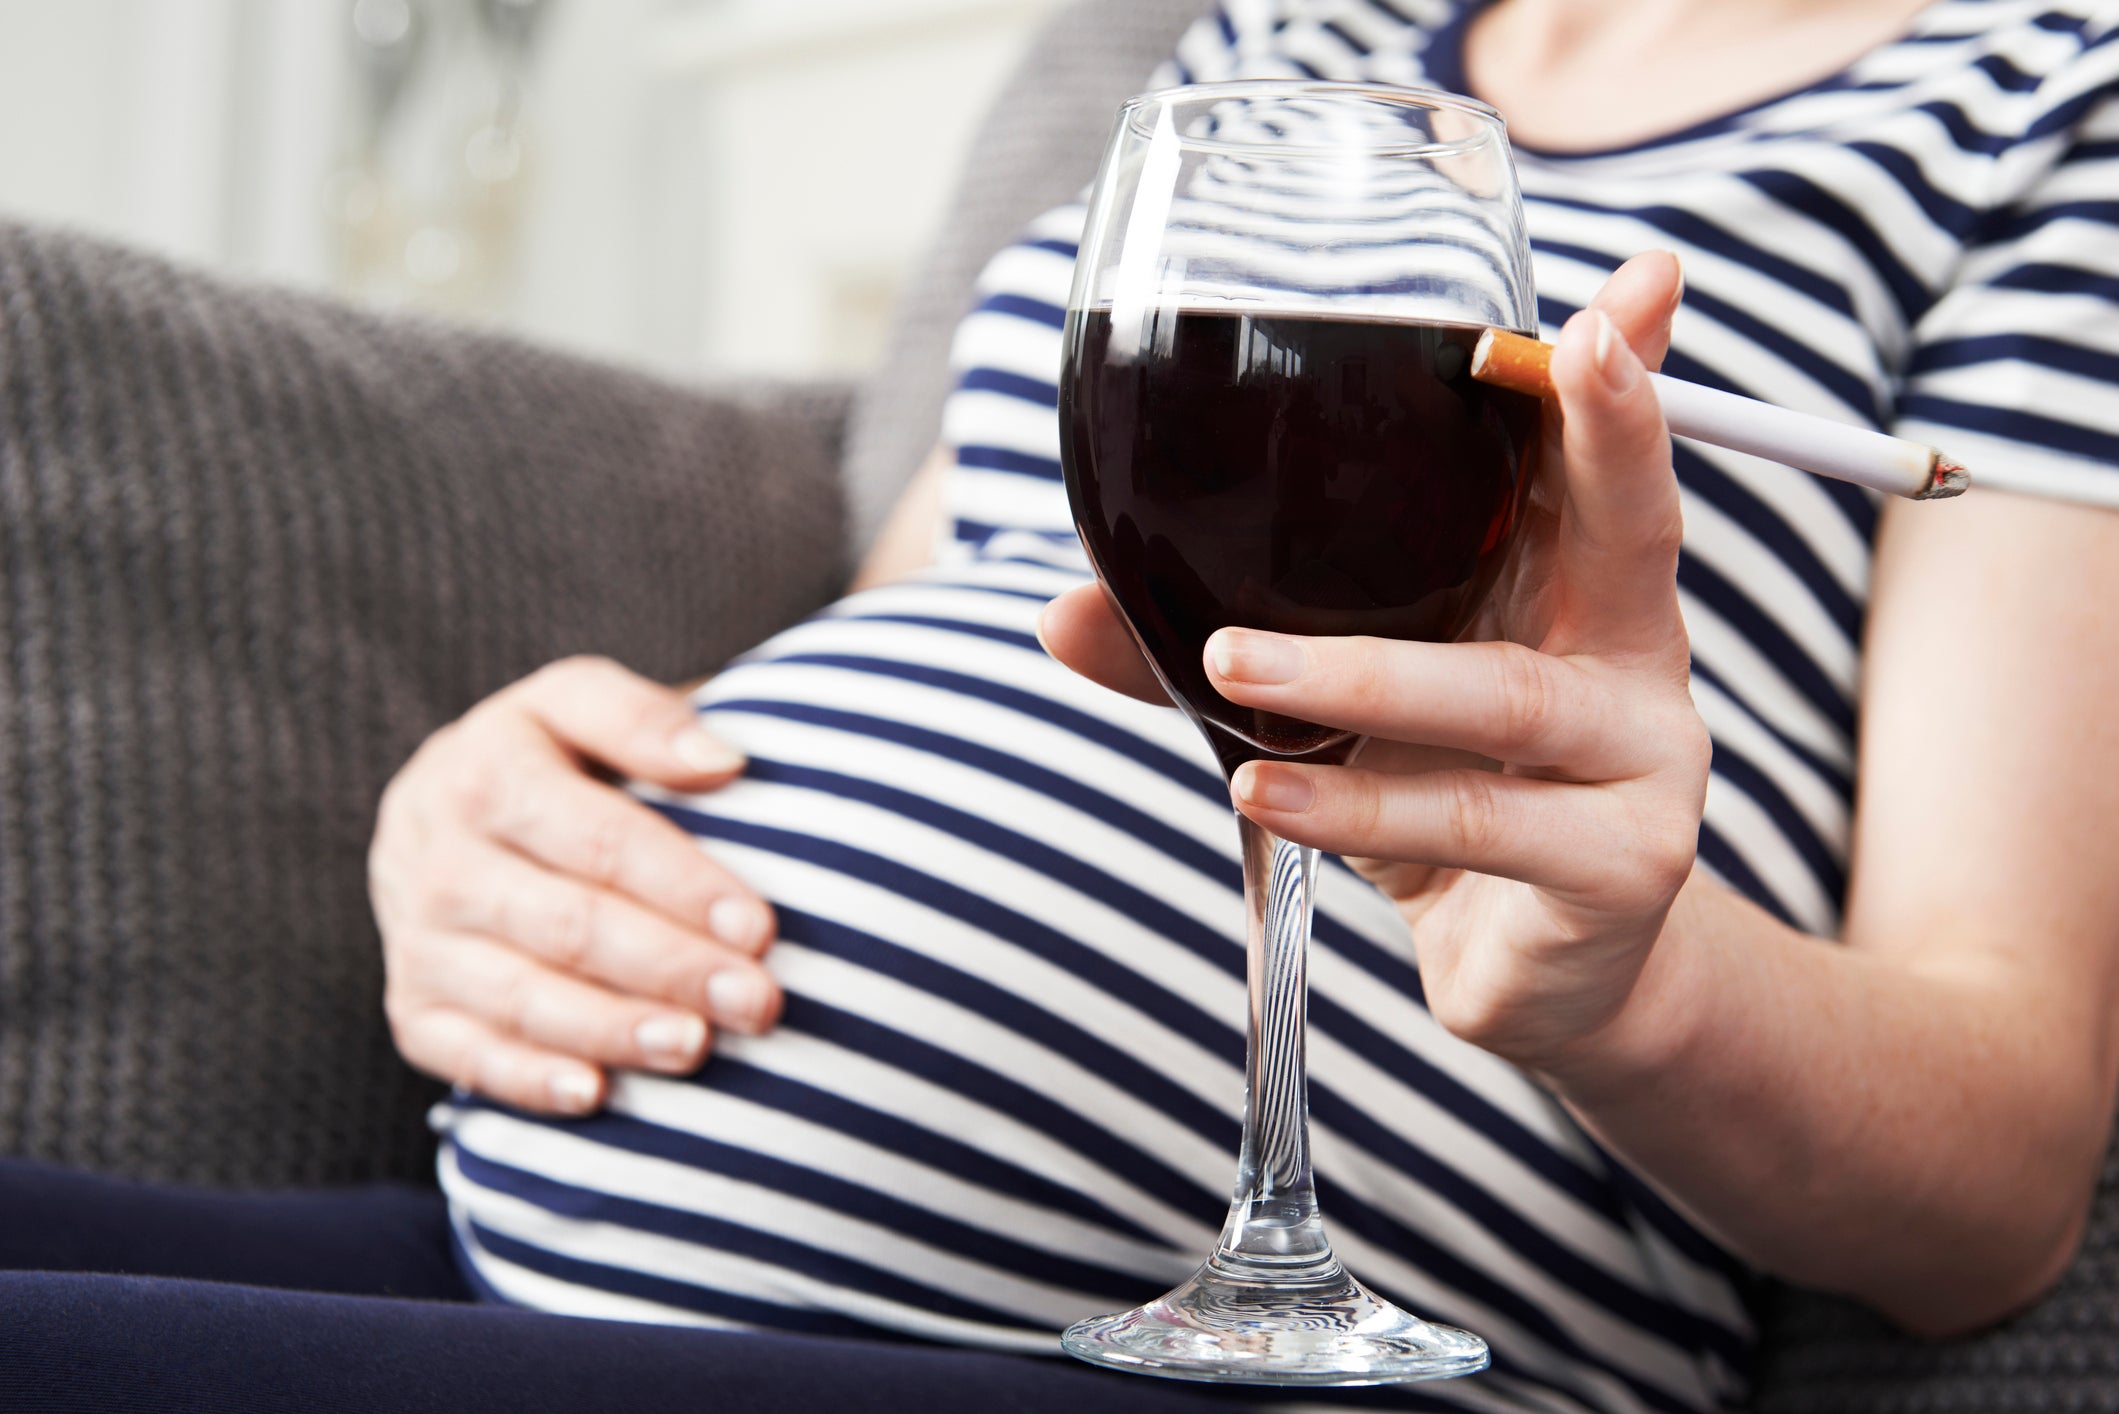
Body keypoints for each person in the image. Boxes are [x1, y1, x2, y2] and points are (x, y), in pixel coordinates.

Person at [8, 1, 2119, 1412]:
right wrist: (510, 806)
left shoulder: (2049, 93)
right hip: (531, 1234)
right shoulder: (1274, 30)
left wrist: (1620, 985)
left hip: (1219, 1364)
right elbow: (945, 631)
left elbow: (2000, 1170)